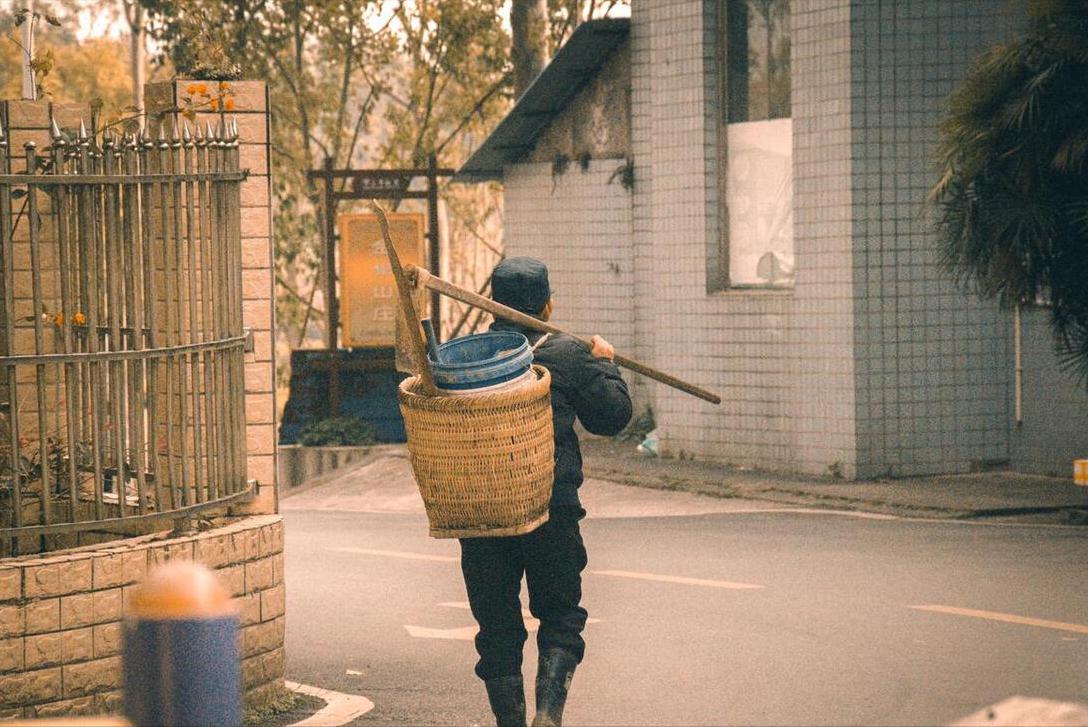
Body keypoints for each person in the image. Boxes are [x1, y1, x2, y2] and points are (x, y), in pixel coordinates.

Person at [460, 257, 633, 727]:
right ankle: (548, 715)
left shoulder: (464, 358)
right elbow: (612, 418)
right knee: (560, 615)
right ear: (548, 306)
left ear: (492, 305)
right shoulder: (566, 354)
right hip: (550, 509)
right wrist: (605, 365)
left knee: (496, 626)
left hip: (481, 512)